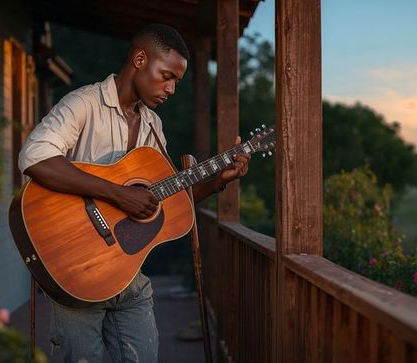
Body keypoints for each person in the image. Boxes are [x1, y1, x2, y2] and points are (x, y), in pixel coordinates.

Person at [18, 24, 251, 363]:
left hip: (129, 276)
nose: (171, 89)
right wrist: (116, 193)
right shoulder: (84, 104)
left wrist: (217, 182)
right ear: (140, 59)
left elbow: (167, 205)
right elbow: (35, 156)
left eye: (176, 82)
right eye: (167, 76)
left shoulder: (152, 126)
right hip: (78, 272)